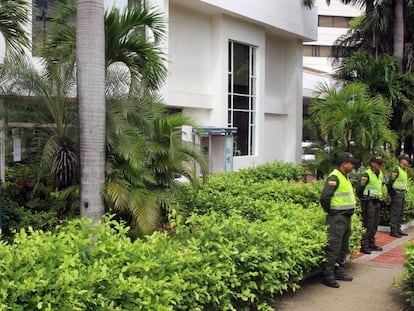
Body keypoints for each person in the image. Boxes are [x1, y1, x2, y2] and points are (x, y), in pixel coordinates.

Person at [320, 152, 359, 288]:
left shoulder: (344, 177)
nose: (353, 165)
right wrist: (331, 212)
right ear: (344, 164)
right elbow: (325, 197)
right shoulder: (334, 177)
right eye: (351, 163)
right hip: (337, 217)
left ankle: (339, 271)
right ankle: (328, 276)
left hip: (346, 217)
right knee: (334, 247)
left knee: (343, 247)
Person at [356, 155, 385, 254]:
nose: (380, 165)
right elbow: (359, 189)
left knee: (375, 224)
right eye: (378, 163)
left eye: (381, 163)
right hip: (368, 202)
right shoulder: (366, 175)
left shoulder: (380, 174)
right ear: (373, 164)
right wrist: (363, 199)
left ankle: (371, 243)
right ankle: (364, 245)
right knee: (368, 224)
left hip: (376, 201)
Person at [387, 153, 411, 238]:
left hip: (402, 193)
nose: (408, 162)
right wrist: (390, 193)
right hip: (396, 193)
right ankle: (393, 230)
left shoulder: (403, 170)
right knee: (395, 213)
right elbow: (390, 183)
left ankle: (398, 229)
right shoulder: (396, 170)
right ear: (402, 160)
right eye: (407, 160)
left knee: (400, 212)